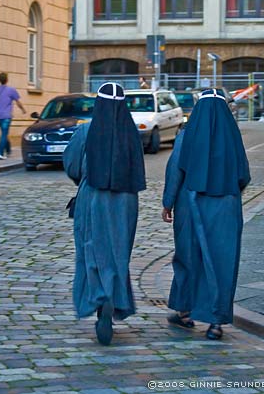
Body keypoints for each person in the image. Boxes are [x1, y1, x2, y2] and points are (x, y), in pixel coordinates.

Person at [161, 88, 250, 340]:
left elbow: (175, 172)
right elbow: (243, 175)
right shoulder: (233, 137)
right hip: (226, 207)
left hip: (191, 204)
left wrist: (168, 203)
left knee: (188, 259)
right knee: (222, 262)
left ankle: (184, 312)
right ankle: (216, 323)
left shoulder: (185, 136)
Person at [63, 82, 146, 346]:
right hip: (125, 202)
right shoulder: (132, 132)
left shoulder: (86, 131)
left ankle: (99, 300)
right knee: (118, 255)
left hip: (94, 198)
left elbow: (73, 165)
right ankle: (112, 298)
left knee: (92, 249)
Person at [0, 72, 26, 159]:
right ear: (7, 80)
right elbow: (18, 102)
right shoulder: (11, 90)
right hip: (6, 116)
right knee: (4, 134)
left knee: (4, 133)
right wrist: (23, 110)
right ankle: (0, 153)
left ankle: (8, 150)